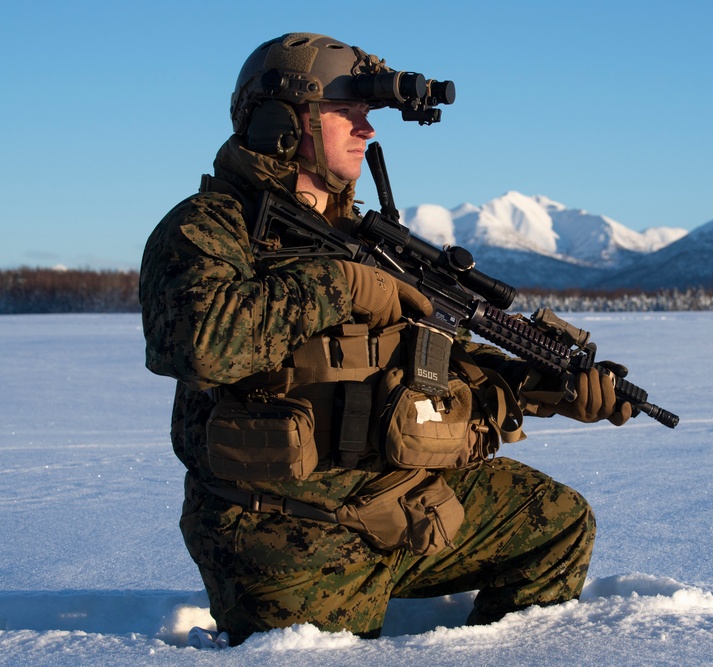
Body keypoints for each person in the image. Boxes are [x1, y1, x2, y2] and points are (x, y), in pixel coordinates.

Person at [139, 32, 631, 646]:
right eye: (349, 113)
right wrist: (342, 285)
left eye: (368, 116)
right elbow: (199, 343)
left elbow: (426, 353)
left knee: (558, 523)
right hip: (284, 536)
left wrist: (545, 387)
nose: (366, 131)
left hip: (392, 500)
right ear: (280, 123)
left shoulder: (370, 238)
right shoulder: (209, 226)